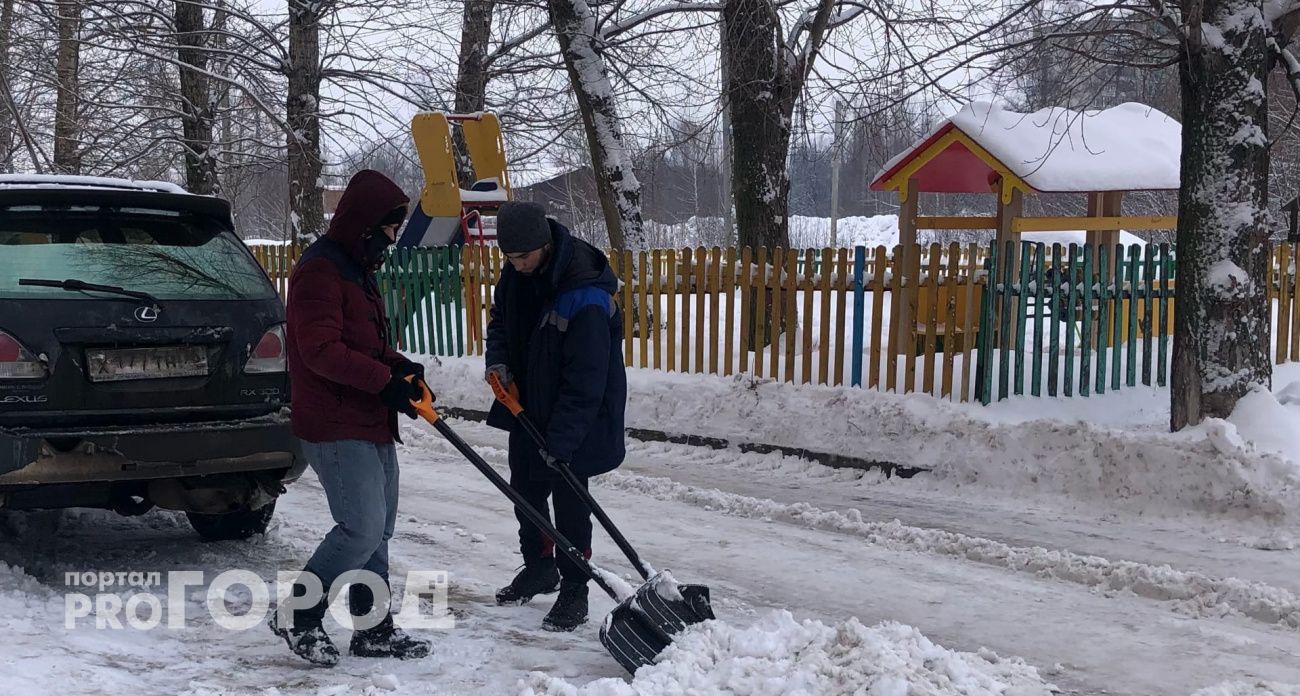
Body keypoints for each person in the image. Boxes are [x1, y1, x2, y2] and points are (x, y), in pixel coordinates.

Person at [271, 169, 432, 666]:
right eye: (388, 228)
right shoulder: (320, 271)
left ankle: (373, 628)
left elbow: (365, 343)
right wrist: (385, 382)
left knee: (378, 531)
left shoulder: (355, 269)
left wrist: (399, 366)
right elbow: (319, 351)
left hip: (368, 417)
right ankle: (297, 613)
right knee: (360, 529)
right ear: (365, 224)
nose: (392, 239)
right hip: (336, 423)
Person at [483, 200, 628, 632]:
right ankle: (539, 567)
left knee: (569, 503)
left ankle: (575, 588)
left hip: (575, 415)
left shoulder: (584, 293)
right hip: (527, 404)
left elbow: (586, 379)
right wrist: (499, 362)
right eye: (508, 258)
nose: (516, 265)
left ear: (544, 245)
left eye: (523, 257)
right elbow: (501, 324)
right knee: (525, 489)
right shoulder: (515, 274)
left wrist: (561, 442)